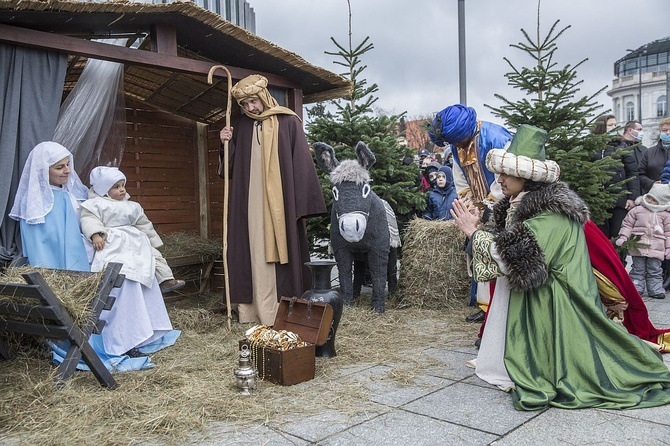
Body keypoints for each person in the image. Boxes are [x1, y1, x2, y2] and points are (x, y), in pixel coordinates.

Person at [451, 124, 670, 410]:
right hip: (540, 294)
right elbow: (513, 244)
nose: (500, 178)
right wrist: (481, 227)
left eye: (506, 173)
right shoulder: (523, 203)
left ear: (527, 176)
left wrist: (472, 232)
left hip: (557, 302)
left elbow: (516, 258)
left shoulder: (550, 214)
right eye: (500, 172)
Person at [9, 142, 179, 370]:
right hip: (68, 269)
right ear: (43, 171)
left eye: (68, 165)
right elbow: (45, 249)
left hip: (92, 254)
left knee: (133, 274)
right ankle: (118, 341)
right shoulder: (37, 206)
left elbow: (95, 220)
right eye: (59, 168)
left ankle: (139, 335)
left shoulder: (74, 195)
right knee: (122, 281)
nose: (67, 171)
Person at [218, 74, 327, 325]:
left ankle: (281, 310)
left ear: (264, 97)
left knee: (279, 251)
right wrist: (225, 143)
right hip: (248, 203)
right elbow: (230, 168)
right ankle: (251, 311)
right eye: (244, 104)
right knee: (250, 247)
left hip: (279, 206)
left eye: (252, 102)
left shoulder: (288, 121)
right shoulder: (241, 126)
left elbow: (301, 163)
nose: (250, 108)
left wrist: (300, 205)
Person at [428, 104, 513, 326]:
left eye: (457, 141)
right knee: (477, 252)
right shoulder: (458, 147)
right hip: (480, 209)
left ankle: (498, 309)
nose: (456, 146)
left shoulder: (496, 138)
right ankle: (484, 306)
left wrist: (488, 205)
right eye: (453, 143)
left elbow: (504, 179)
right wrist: (470, 205)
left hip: (503, 205)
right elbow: (460, 178)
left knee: (497, 257)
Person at [81, 166, 185, 295]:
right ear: (104, 190)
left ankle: (166, 279)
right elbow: (89, 220)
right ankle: (114, 288)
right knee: (116, 261)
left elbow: (144, 224)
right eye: (116, 187)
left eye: (123, 185)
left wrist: (154, 242)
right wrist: (95, 235)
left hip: (136, 238)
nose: (122, 189)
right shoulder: (96, 204)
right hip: (113, 239)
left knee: (154, 256)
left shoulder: (132, 206)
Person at [616, 183, 670, 299]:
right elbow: (627, 224)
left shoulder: (665, 215)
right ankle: (636, 287)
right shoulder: (637, 210)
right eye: (649, 197)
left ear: (662, 202)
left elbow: (668, 233)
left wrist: (668, 248)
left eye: (654, 200)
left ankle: (655, 289)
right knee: (637, 268)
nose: (649, 200)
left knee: (655, 269)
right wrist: (623, 237)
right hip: (638, 245)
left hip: (657, 247)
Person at [591, 114, 640, 240]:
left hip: (619, 200)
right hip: (597, 201)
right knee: (601, 236)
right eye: (610, 125)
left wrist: (632, 197)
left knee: (617, 234)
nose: (614, 127)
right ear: (601, 127)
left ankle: (619, 260)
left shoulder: (621, 146)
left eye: (614, 125)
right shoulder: (592, 147)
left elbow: (632, 173)